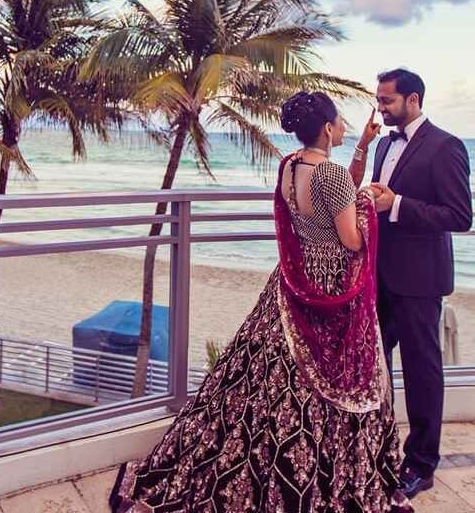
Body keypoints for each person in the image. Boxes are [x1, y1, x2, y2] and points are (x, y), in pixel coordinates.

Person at [110, 91, 410, 512]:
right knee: (333, 380)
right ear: (327, 128)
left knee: (266, 378)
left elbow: (335, 194)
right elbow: (351, 237)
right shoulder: (333, 177)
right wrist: (369, 207)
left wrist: (362, 146)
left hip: (291, 282)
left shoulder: (290, 167)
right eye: (340, 121)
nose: (343, 125)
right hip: (329, 287)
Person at [364, 68, 473, 498]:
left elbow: (459, 216)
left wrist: (398, 205)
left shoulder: (446, 146)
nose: (381, 108)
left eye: (387, 101)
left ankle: (422, 463)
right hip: (378, 275)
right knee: (374, 366)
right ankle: (378, 448)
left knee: (422, 370)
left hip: (420, 279)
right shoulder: (384, 145)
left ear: (412, 100)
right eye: (379, 100)